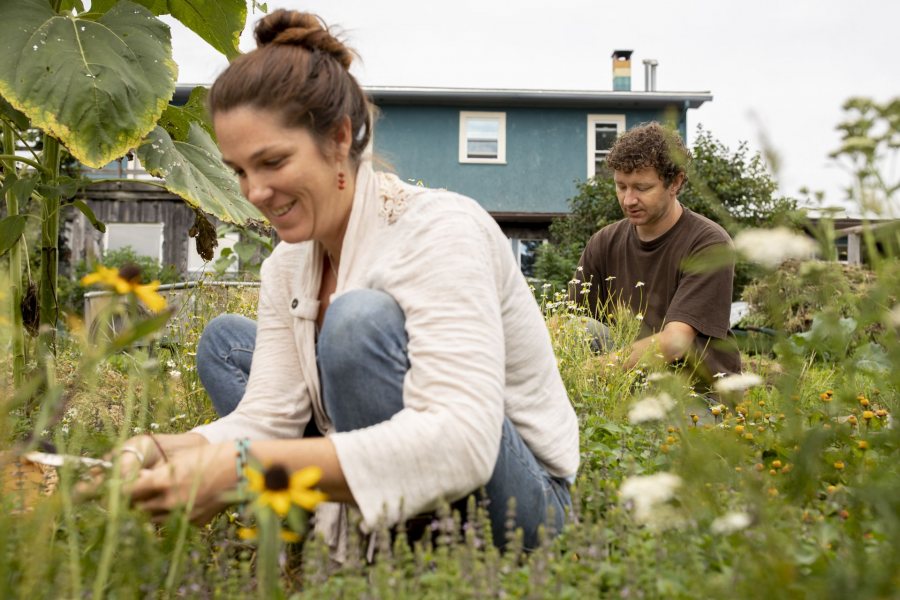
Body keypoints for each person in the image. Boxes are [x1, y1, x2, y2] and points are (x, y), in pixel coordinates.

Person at [118, 9, 579, 558]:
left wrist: (246, 467)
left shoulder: (440, 230)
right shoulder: (287, 265)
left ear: (338, 139)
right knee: (226, 340)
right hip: (392, 446)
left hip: (517, 501)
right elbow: (268, 415)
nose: (255, 192)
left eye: (272, 161)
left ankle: (373, 532)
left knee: (355, 324)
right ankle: (334, 491)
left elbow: (465, 444)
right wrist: (172, 450)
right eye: (239, 170)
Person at [570, 122, 741, 383]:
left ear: (675, 182)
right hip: (630, 379)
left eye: (642, 188)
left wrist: (584, 373)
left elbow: (675, 342)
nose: (628, 200)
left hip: (697, 393)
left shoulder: (708, 244)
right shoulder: (604, 242)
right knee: (575, 327)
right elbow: (569, 322)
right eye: (621, 186)